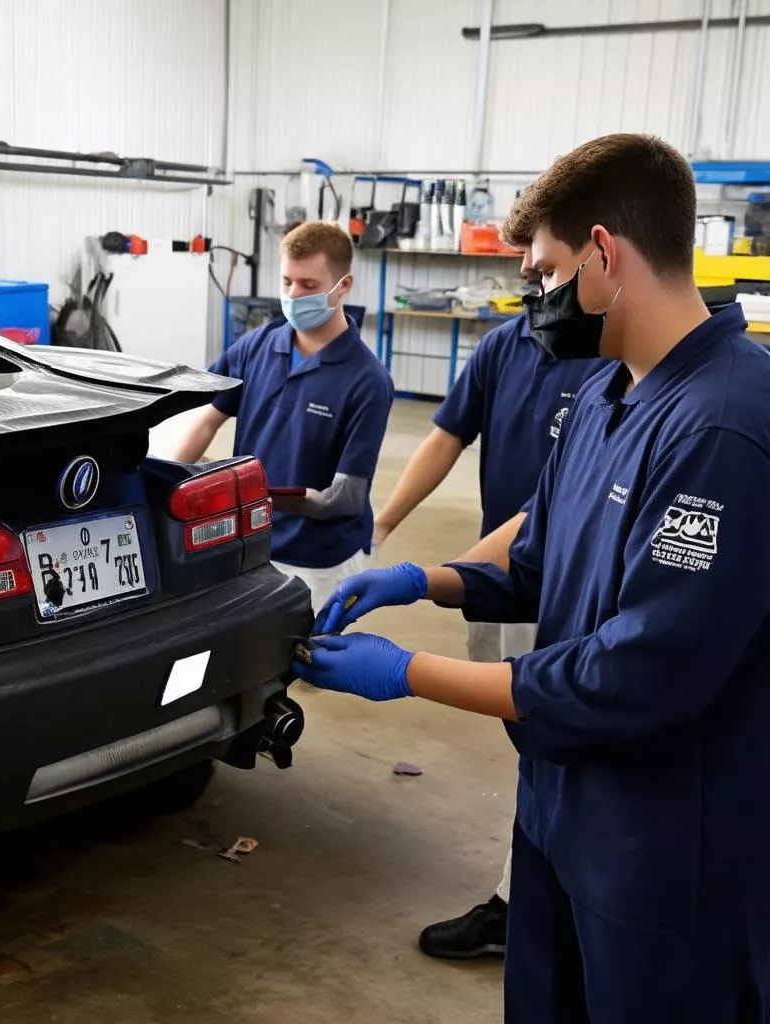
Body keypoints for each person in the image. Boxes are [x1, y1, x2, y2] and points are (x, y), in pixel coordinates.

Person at [295, 133, 770, 1021]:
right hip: (558, 805)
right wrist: (420, 581)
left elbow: (635, 677)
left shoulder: (724, 429)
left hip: (663, 842)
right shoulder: (602, 395)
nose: (535, 298)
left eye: (545, 272)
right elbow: (535, 561)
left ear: (604, 252)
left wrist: (409, 674)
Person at [374, 257, 606, 961]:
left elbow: (551, 505)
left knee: (562, 738)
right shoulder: (506, 344)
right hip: (508, 583)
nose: (539, 290)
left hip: (564, 586)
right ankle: (530, 894)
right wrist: (381, 531)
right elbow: (447, 433)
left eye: (548, 269)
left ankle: (528, 906)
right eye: (530, 275)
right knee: (529, 751)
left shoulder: (612, 362)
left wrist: (442, 583)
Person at [173, 221, 394, 611]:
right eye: (287, 282)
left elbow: (345, 499)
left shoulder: (368, 381)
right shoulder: (257, 345)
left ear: (343, 286)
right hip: (252, 542)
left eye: (308, 286)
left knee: (313, 661)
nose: (293, 295)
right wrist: (172, 478)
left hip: (320, 561)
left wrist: (254, 493)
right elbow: (210, 418)